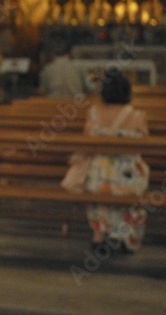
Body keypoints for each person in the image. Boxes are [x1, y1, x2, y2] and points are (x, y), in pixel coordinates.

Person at [61, 69, 150, 253]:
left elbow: (87, 142)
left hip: (99, 172)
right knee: (128, 194)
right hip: (127, 174)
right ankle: (125, 236)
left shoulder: (94, 113)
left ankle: (98, 237)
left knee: (98, 191)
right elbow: (143, 145)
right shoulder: (137, 115)